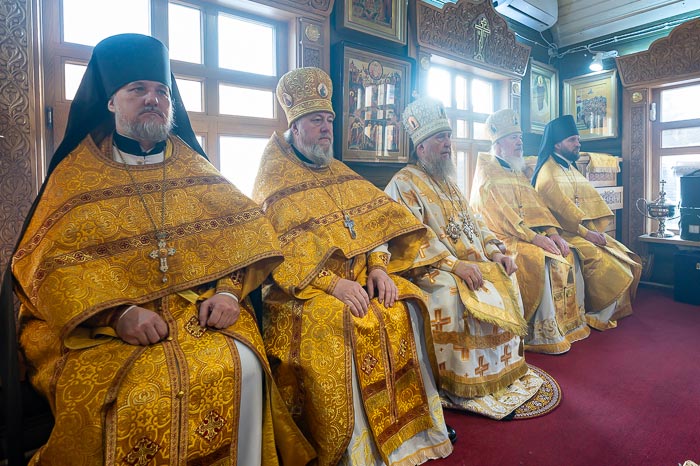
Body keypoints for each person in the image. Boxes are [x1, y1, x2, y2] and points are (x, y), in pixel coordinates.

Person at [9, 34, 313, 465]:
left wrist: (229, 293)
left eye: (161, 91)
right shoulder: (76, 175)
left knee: (243, 364)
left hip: (195, 311)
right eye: (138, 90)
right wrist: (117, 314)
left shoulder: (194, 166)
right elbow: (47, 268)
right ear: (111, 102)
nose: (153, 99)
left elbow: (248, 235)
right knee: (121, 397)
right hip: (100, 328)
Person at [252, 68, 453, 466]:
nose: (327, 128)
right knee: (345, 321)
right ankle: (356, 449)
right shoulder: (273, 178)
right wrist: (332, 285)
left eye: (329, 120)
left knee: (404, 305)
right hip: (301, 292)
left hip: (359, 278)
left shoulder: (339, 171)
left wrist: (378, 268)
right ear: (295, 125)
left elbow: (374, 223)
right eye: (317, 121)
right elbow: (279, 251)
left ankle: (412, 430)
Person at [385, 97, 545, 419]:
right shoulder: (403, 183)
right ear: (421, 148)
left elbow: (475, 222)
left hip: (471, 262)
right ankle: (461, 381)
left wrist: (496, 251)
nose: (448, 143)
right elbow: (410, 238)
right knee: (452, 292)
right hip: (429, 268)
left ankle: (502, 371)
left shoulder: (449, 182)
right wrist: (454, 265)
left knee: (506, 272)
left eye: (449, 136)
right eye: (440, 138)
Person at [470, 109, 590, 354]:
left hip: (526, 234)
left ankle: (569, 324)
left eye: (520, 137)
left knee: (568, 251)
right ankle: (542, 333)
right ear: (498, 143)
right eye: (514, 138)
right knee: (541, 258)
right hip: (501, 239)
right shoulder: (487, 172)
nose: (519, 142)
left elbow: (537, 206)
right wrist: (536, 239)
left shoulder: (516, 169)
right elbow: (504, 216)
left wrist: (552, 233)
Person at [531, 115, 642, 330]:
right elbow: (562, 215)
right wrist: (589, 234)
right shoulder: (548, 174)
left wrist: (594, 231)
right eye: (572, 140)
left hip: (578, 230)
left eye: (578, 139)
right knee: (607, 263)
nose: (578, 144)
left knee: (622, 254)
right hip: (561, 234)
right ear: (557, 144)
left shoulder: (569, 167)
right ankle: (597, 314)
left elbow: (585, 203)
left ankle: (611, 310)